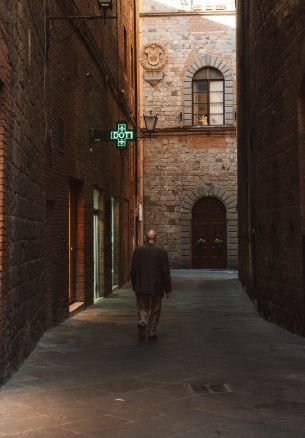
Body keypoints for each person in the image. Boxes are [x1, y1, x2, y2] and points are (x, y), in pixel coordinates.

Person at [130, 229, 172, 341]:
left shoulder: (138, 250)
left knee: (142, 307)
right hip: (157, 286)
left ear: (146, 239)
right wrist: (168, 289)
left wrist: (135, 285)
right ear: (156, 238)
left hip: (141, 286)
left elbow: (133, 270)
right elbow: (165, 271)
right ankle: (152, 332)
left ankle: (143, 322)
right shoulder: (161, 251)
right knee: (155, 309)